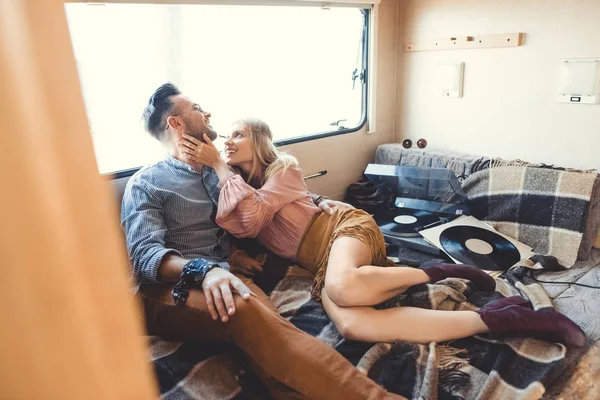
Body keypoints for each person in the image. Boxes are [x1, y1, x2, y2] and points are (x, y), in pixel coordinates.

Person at [179, 117, 586, 348]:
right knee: (355, 326)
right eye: (225, 136)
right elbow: (236, 226)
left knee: (341, 289)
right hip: (323, 261)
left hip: (343, 228)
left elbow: (250, 220)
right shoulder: (235, 185)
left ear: (260, 141)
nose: (227, 142)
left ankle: (441, 272)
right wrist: (233, 255)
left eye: (237, 134)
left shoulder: (283, 167)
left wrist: (217, 167)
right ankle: (502, 319)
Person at [121, 83, 405, 400]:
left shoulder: (221, 174)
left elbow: (267, 194)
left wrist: (318, 199)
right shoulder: (146, 183)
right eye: (198, 108)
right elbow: (144, 258)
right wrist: (206, 270)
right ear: (175, 123)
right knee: (247, 311)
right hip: (170, 288)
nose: (208, 112)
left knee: (270, 336)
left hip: (226, 273)